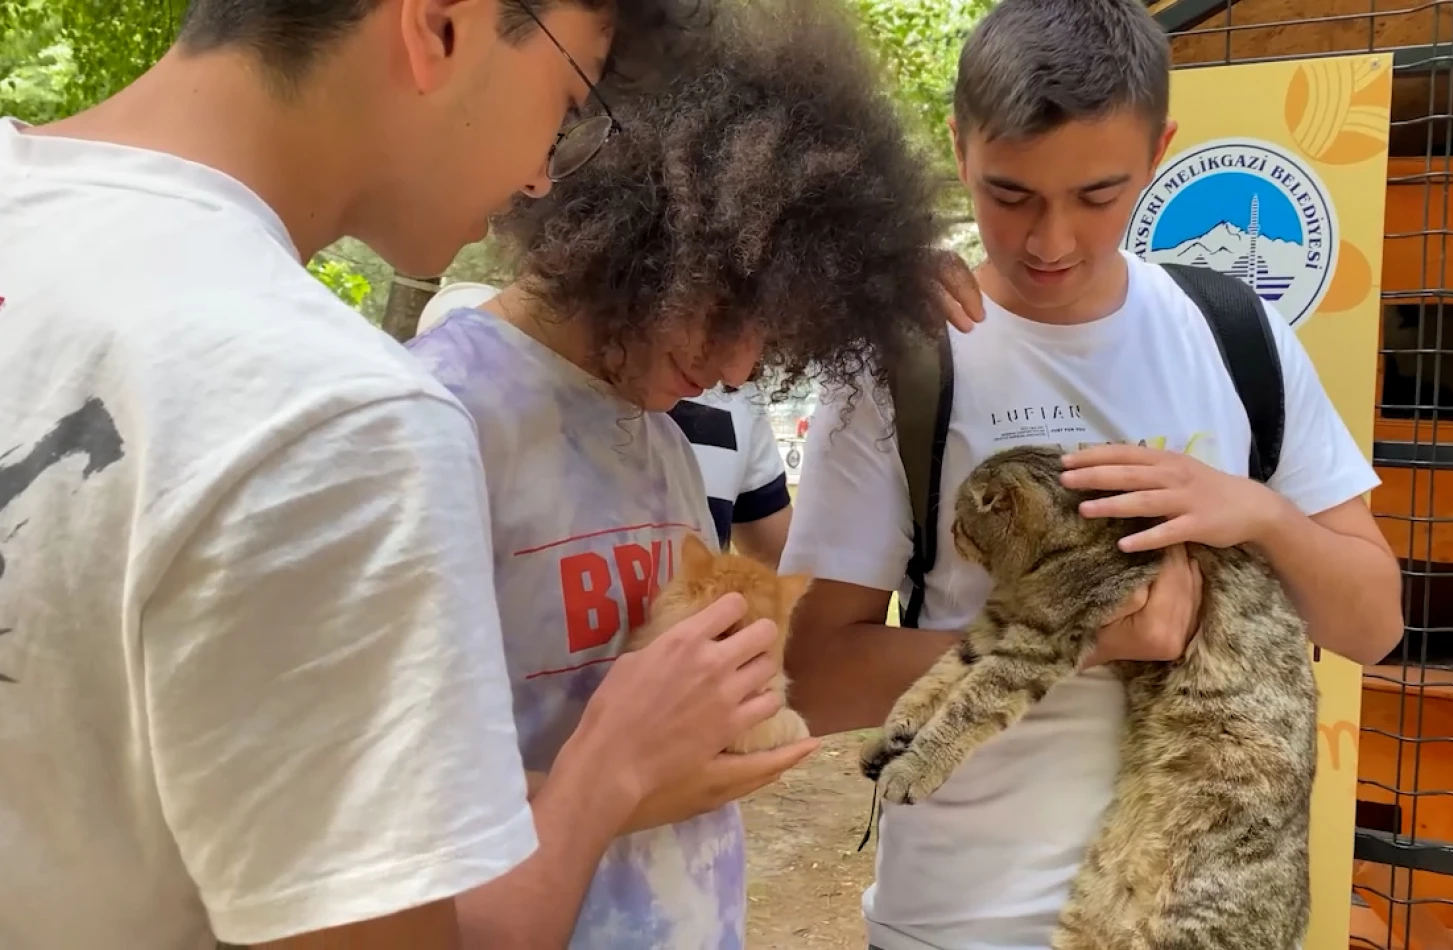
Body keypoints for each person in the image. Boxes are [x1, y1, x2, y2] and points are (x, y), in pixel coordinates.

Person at [0, 0, 977, 946]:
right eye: (563, 96)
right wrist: (619, 768)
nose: (541, 173)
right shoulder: (399, 417)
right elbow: (403, 847)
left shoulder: (666, 442)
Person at [779, 1, 1407, 948]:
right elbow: (814, 677)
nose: (1050, 242)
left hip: (1192, 915)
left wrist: (1259, 515)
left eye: (1099, 195)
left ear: (1160, 152)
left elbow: (1375, 624)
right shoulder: (904, 361)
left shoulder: (1235, 334)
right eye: (1011, 194)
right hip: (961, 922)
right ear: (958, 148)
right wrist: (1095, 638)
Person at [402, 0, 953, 943]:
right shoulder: (436, 421)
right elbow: (390, 804)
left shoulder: (652, 425)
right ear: (640, 233)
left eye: (774, 330)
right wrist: (627, 785)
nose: (740, 369)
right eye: (730, 308)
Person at [421, 286, 796, 567]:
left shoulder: (666, 446)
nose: (736, 374)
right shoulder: (428, 412)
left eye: (766, 338)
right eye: (725, 316)